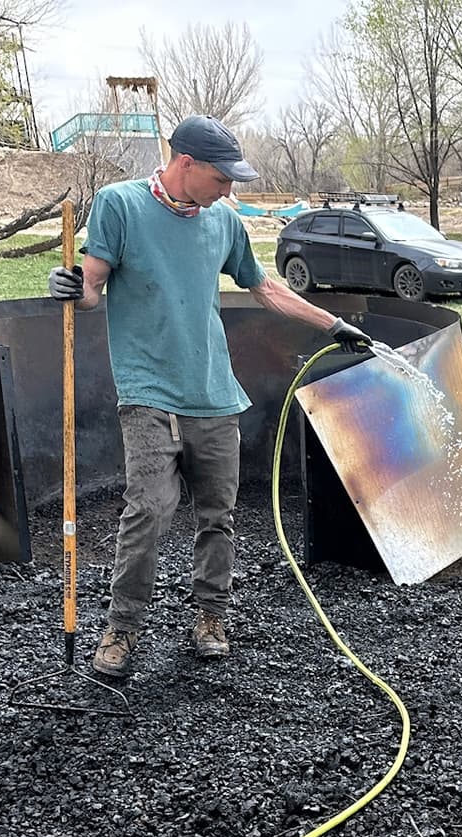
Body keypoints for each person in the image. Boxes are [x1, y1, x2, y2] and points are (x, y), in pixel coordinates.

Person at [48, 114, 372, 679]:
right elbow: (93, 291)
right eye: (222, 178)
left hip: (215, 395)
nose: (230, 190)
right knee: (149, 510)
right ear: (185, 164)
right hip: (148, 392)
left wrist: (332, 325)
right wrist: (71, 288)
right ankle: (121, 630)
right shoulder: (120, 205)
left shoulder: (222, 221)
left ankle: (211, 618)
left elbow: (265, 287)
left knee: (218, 516)